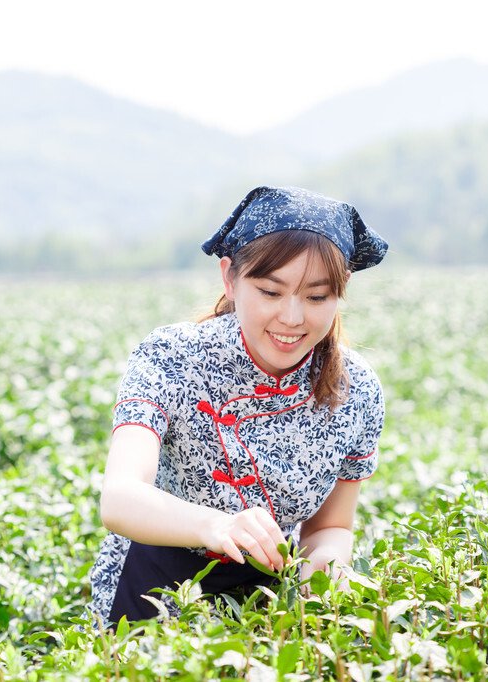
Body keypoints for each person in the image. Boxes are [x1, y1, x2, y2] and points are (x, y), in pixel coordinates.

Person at [88, 186, 389, 626]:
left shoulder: (356, 390)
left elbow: (331, 527)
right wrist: (218, 526)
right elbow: (120, 498)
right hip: (154, 581)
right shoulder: (173, 356)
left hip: (269, 594)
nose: (292, 318)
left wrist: (324, 572)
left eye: (316, 297)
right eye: (270, 291)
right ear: (230, 278)